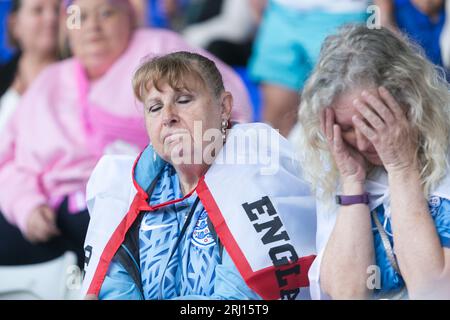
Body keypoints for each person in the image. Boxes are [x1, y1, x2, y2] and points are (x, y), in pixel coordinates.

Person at [0, 0, 252, 268]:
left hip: (144, 206)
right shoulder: (49, 81)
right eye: (78, 18)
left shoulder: (162, 52)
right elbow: (7, 161)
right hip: (51, 215)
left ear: (129, 18)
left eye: (106, 13)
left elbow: (231, 108)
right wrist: (26, 206)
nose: (92, 27)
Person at [81, 51, 317, 300]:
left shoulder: (262, 174)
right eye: (155, 107)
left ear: (224, 107)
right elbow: (113, 290)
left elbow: (240, 301)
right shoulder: (127, 190)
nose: (167, 116)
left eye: (183, 100)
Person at [298, 24, 450, 299]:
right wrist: (352, 182)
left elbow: (433, 290)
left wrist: (402, 168)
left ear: (410, 101)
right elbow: (347, 293)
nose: (363, 142)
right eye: (346, 127)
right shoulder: (333, 162)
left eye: (373, 122)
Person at [248, 0, 369, 138]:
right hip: (282, 12)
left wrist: (382, 13)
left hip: (345, 14)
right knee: (276, 123)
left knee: (341, 122)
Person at [0, 0, 60, 133]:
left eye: (57, 10)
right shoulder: (3, 78)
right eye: (38, 10)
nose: (51, 18)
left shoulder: (84, 76)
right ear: (15, 24)